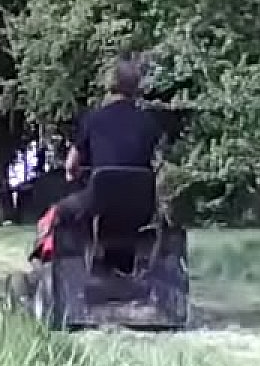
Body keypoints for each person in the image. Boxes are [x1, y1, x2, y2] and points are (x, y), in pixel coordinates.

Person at [28, 56, 164, 263]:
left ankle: (46, 264)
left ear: (110, 86)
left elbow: (71, 166)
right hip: (141, 204)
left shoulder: (93, 119)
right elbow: (158, 161)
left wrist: (72, 175)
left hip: (99, 201)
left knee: (56, 213)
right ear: (136, 88)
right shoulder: (149, 122)